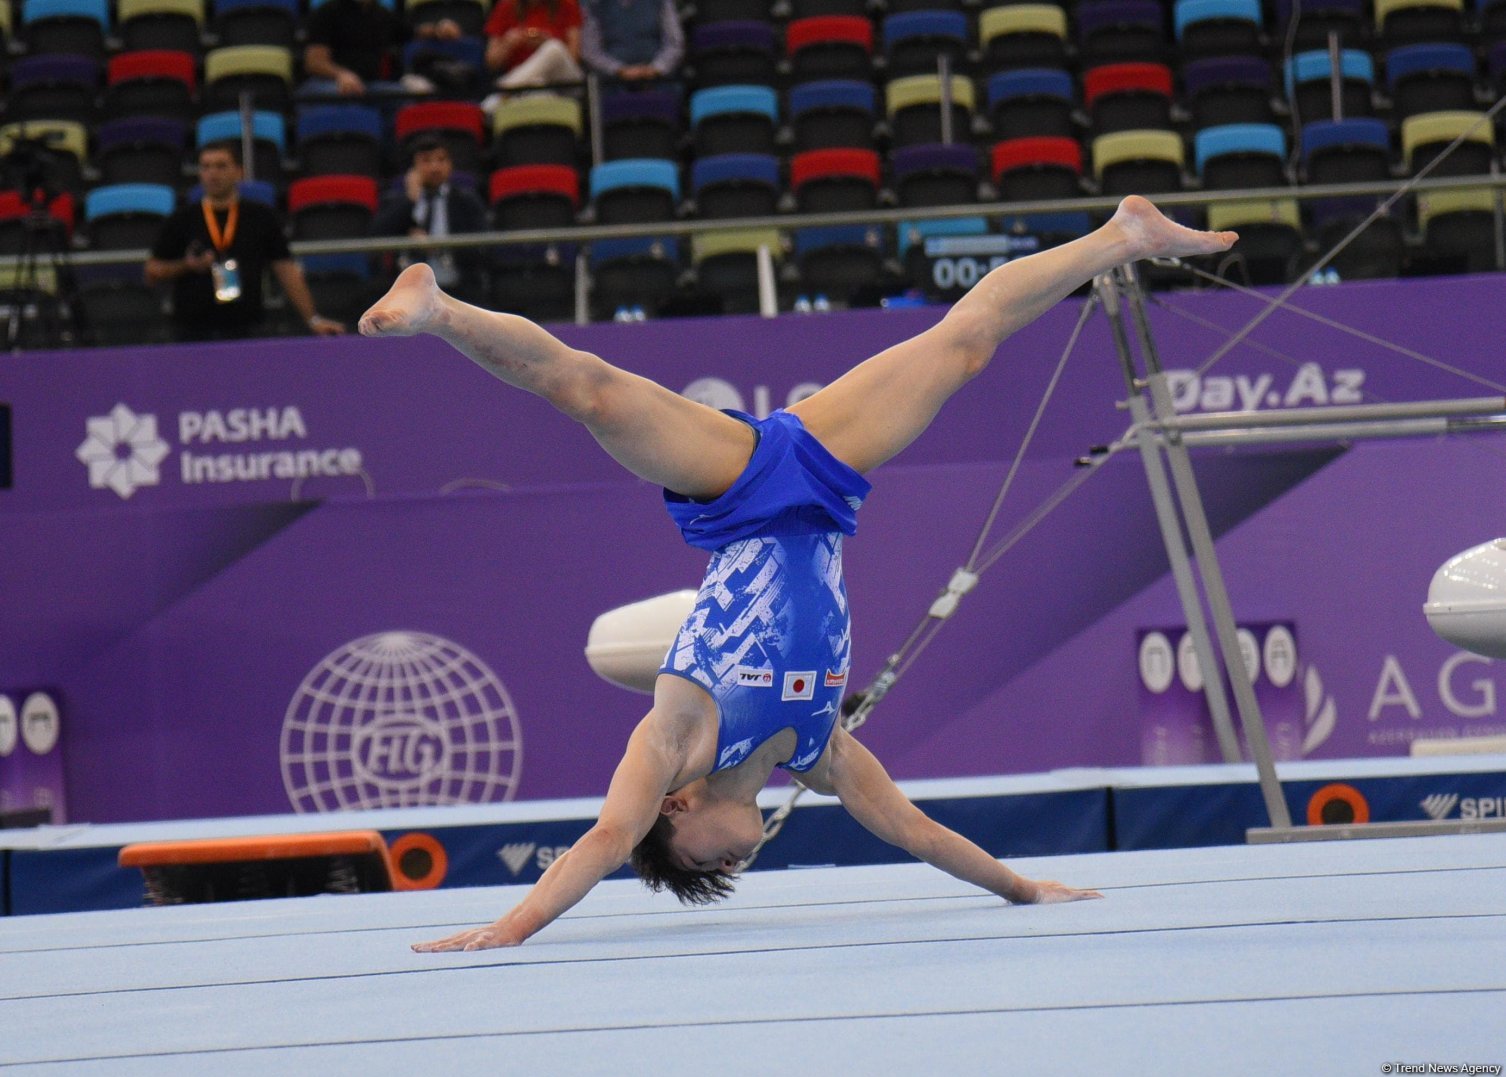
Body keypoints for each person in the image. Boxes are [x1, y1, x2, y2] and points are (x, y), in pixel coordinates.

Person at [359, 196, 1236, 951]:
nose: (733, 866)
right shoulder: (817, 752)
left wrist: (509, 929)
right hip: (820, 486)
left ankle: (438, 307)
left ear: (678, 812)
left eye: (706, 863)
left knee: (589, 391)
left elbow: (603, 837)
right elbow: (916, 832)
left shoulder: (675, 740)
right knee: (965, 346)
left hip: (734, 490)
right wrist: (1024, 890)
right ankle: (1123, 236)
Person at [146, 142, 345, 342]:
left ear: (238, 171)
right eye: (206, 167)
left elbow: (285, 269)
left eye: (221, 166)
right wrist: (186, 266)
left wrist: (313, 319)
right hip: (192, 331)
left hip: (247, 328)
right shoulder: (182, 219)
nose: (212, 174)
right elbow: (152, 271)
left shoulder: (260, 216)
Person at [371, 135, 490, 302]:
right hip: (409, 295)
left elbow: (484, 247)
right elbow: (377, 237)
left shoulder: (467, 201)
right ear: (413, 168)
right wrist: (411, 199)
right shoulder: (396, 201)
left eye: (441, 160)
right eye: (426, 161)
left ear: (450, 165)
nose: (435, 167)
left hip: (459, 291)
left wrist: (438, 247)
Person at [300, 0, 463, 103]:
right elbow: (314, 62)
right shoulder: (327, 12)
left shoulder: (380, 14)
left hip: (370, 86)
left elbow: (412, 32)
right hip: (328, 85)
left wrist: (438, 30)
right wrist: (342, 75)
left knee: (401, 97)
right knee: (345, 97)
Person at [483, 0, 583, 96]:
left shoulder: (567, 4)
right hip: (530, 82)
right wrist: (508, 43)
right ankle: (509, 91)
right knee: (537, 87)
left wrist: (546, 42)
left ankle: (503, 92)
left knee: (553, 48)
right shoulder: (506, 6)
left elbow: (573, 58)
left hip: (565, 81)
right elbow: (492, 62)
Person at [580, 0, 684, 83]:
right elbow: (590, 50)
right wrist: (619, 70)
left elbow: (674, 43)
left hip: (659, 76)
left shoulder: (661, 2)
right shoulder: (594, 5)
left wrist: (656, 68)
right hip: (612, 80)